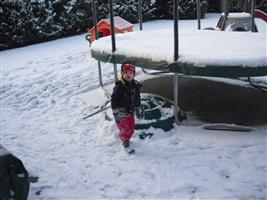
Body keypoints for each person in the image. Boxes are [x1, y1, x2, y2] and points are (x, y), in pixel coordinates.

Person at [111, 62, 142, 153]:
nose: (128, 75)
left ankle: (125, 136)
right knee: (126, 128)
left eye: (131, 73)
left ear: (133, 74)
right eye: (126, 73)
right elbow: (114, 100)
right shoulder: (119, 87)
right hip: (121, 112)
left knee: (131, 127)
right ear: (122, 73)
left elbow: (137, 97)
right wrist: (116, 112)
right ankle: (125, 143)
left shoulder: (135, 85)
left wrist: (137, 107)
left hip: (130, 111)